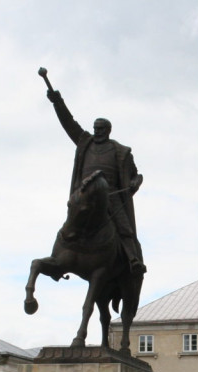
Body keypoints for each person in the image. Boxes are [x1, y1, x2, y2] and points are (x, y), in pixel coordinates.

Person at [47, 85, 145, 274]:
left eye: (101, 129)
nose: (97, 132)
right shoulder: (85, 142)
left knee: (125, 228)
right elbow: (69, 123)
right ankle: (58, 257)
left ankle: (133, 260)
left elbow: (136, 175)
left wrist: (135, 182)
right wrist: (57, 102)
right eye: (95, 128)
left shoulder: (121, 152)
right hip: (85, 194)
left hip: (111, 196)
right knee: (71, 221)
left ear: (108, 130)